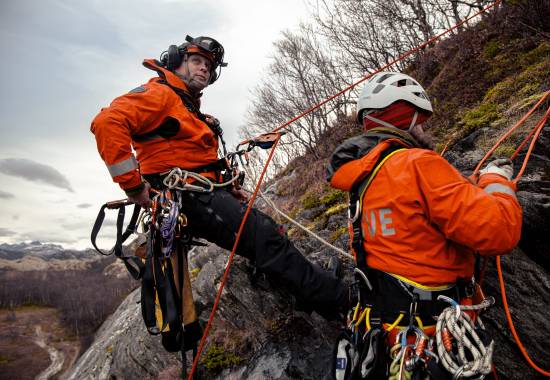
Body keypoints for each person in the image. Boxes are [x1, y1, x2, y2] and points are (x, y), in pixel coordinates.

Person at [91, 35, 348, 329]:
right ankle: (340, 300)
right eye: (197, 61)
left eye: (209, 67)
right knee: (265, 236)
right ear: (176, 62)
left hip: (199, 195)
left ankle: (302, 290)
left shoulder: (184, 105)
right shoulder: (159, 95)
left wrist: (226, 187)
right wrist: (134, 187)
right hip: (186, 198)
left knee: (263, 235)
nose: (204, 70)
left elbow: (188, 155)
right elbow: (107, 123)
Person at [327, 72, 522, 379]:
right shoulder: (418, 164)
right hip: (434, 340)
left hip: (384, 337)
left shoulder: (364, 181)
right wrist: (497, 180)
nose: (424, 129)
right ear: (405, 118)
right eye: (420, 121)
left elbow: (417, 222)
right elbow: (499, 230)